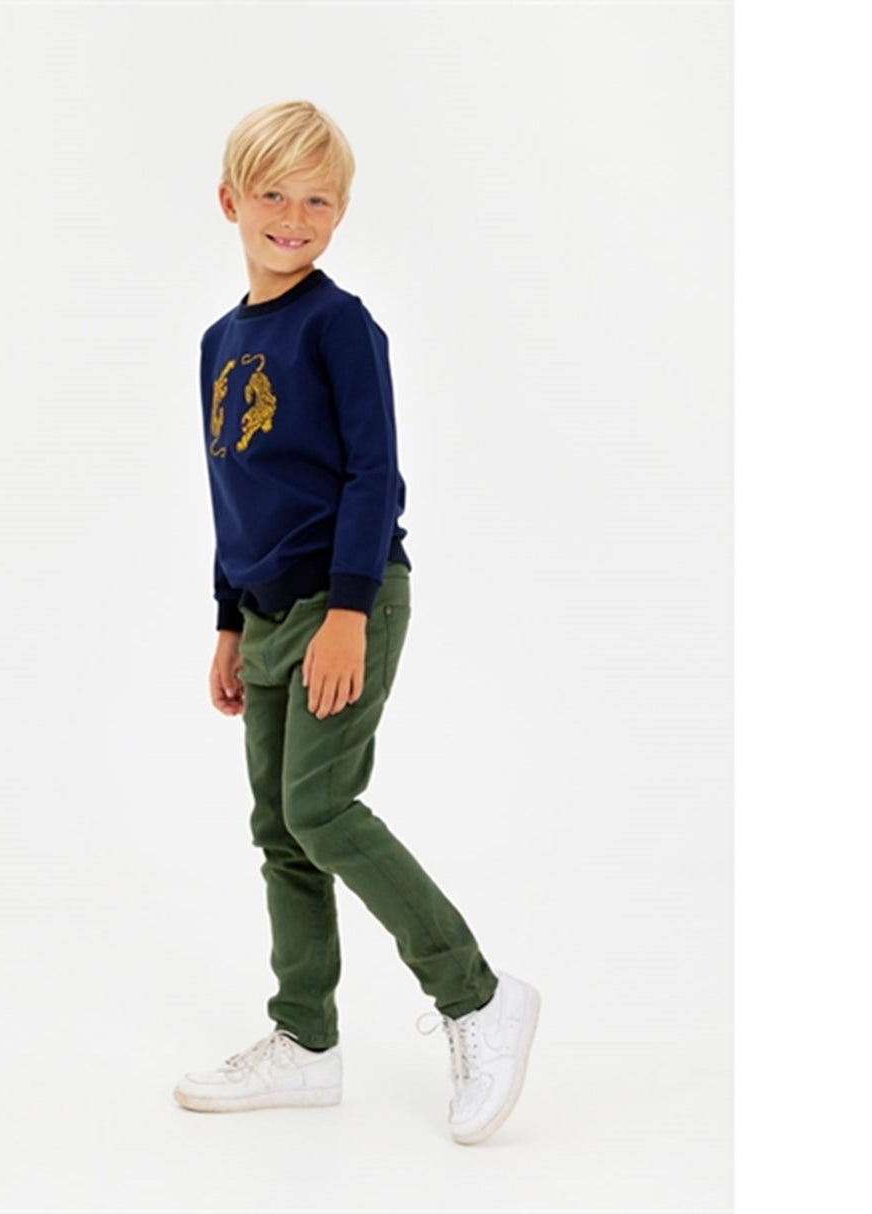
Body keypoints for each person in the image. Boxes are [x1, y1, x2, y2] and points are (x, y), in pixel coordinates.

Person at [172, 99, 541, 1145]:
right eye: (273, 194)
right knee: (280, 827)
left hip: (349, 597)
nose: (293, 218)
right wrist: (229, 620)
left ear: (340, 211)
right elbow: (233, 490)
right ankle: (305, 1040)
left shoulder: (338, 324)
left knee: (323, 808)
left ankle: (478, 995)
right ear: (229, 201)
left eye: (317, 200)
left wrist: (345, 610)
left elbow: (374, 474)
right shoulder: (218, 342)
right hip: (265, 612)